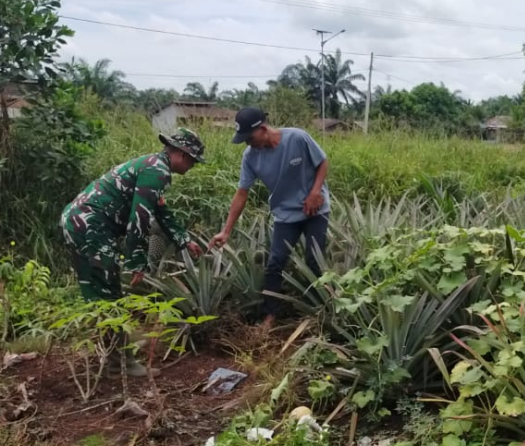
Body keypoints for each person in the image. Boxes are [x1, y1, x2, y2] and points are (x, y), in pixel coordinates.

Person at [61, 128, 205, 377]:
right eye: (192, 160)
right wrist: (137, 261)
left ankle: (110, 356)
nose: (192, 166)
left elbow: (159, 211)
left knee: (96, 292)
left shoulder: (152, 165)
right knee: (107, 293)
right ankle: (119, 364)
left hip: (77, 222)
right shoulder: (157, 171)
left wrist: (184, 240)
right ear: (182, 154)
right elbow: (140, 218)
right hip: (90, 226)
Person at [208, 107, 330, 321]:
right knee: (275, 262)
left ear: (263, 128)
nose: (247, 143)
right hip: (285, 214)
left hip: (314, 209)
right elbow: (241, 193)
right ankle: (270, 316)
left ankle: (318, 312)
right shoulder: (250, 157)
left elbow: (322, 162)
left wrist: (315, 191)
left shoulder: (297, 137)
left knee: (314, 260)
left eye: (249, 137)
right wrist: (226, 231)